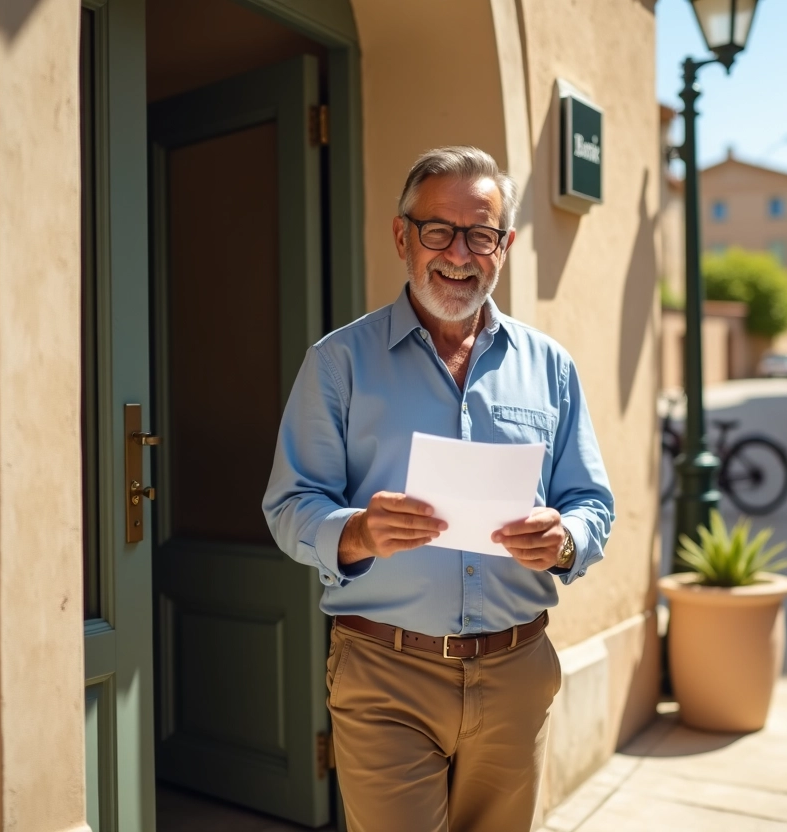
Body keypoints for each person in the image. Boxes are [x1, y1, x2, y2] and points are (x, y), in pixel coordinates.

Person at [262, 146, 615, 832]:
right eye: (438, 231)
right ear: (403, 236)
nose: (459, 253)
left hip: (518, 671)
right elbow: (288, 504)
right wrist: (356, 531)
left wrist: (566, 537)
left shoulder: (551, 367)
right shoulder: (338, 362)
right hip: (383, 671)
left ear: (504, 246)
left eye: (481, 234)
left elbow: (592, 502)